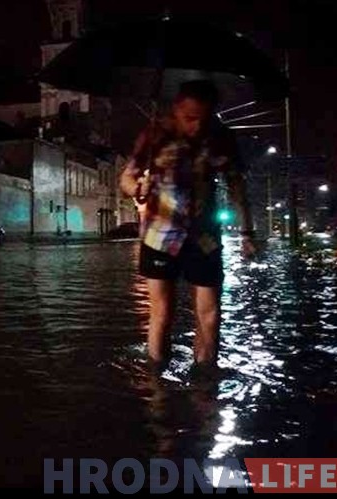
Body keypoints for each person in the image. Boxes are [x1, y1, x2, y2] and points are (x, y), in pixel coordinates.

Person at [119, 80, 258, 373]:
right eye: (190, 118)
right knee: (162, 313)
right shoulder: (155, 134)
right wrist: (137, 188)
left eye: (203, 119)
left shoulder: (221, 138)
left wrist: (247, 232)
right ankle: (156, 387)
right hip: (159, 234)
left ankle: (205, 386)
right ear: (177, 109)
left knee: (209, 316)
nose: (196, 126)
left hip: (203, 236)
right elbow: (126, 178)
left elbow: (237, 186)